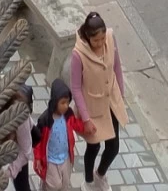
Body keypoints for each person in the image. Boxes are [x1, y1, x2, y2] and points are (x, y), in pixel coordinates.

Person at [71, 12, 127, 188]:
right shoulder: (78, 55)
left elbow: (116, 66)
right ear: (88, 37)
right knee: (93, 147)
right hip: (92, 107)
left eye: (102, 38)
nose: (101, 43)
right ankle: (88, 182)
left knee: (113, 147)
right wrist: (85, 119)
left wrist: (121, 95)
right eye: (96, 40)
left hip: (110, 102)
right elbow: (76, 88)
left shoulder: (110, 38)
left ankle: (100, 174)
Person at [32, 79, 85, 191]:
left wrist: (87, 125)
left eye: (67, 102)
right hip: (51, 160)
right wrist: (37, 158)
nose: (66, 106)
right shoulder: (45, 120)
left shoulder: (68, 114)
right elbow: (37, 141)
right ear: (55, 101)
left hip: (65, 157)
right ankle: (44, 186)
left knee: (65, 184)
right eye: (63, 103)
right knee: (54, 185)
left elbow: (76, 124)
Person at [5, 84, 35, 191]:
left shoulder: (20, 116)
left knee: (22, 183)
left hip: (19, 146)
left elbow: (26, 151)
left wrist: (10, 172)